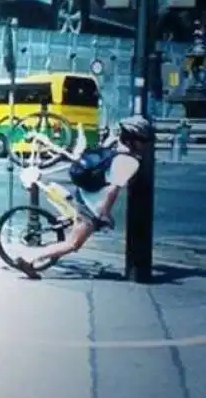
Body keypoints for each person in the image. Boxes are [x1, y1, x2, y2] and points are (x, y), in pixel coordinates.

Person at [14, 115, 151, 280]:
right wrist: (104, 214)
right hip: (91, 206)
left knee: (76, 226)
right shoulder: (128, 162)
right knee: (73, 244)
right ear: (132, 141)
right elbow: (112, 191)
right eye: (142, 141)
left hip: (84, 194)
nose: (145, 145)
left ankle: (64, 225)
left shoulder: (113, 147)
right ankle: (29, 257)